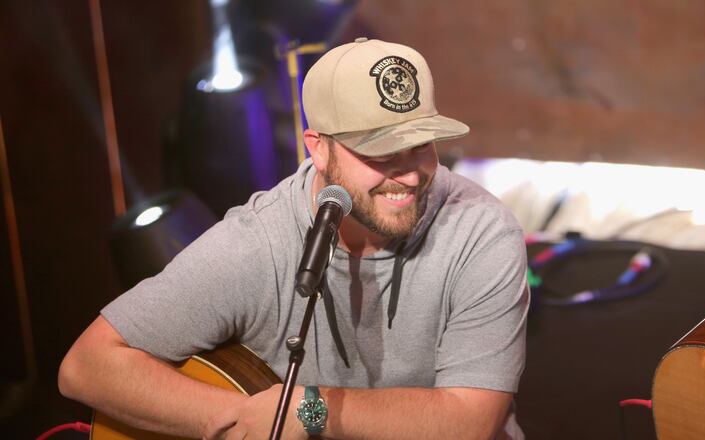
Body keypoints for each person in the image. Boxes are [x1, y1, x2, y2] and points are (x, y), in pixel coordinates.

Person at [58, 38, 529, 439]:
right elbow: (86, 366)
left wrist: (311, 408)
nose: (408, 176)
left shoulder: (481, 232)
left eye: (421, 144)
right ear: (318, 148)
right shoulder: (258, 241)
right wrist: (239, 420)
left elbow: (470, 420)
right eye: (381, 151)